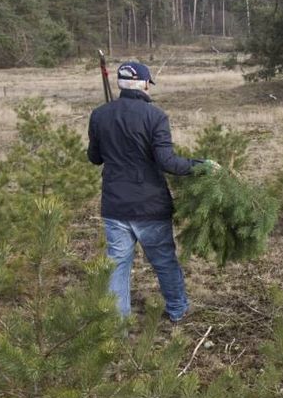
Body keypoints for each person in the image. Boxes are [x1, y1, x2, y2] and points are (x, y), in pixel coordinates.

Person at [87, 61, 215, 323]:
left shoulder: (99, 115)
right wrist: (202, 166)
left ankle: (117, 325)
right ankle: (178, 310)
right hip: (150, 207)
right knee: (164, 262)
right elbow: (167, 162)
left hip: (115, 207)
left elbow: (94, 158)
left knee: (117, 268)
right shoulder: (155, 116)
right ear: (144, 84)